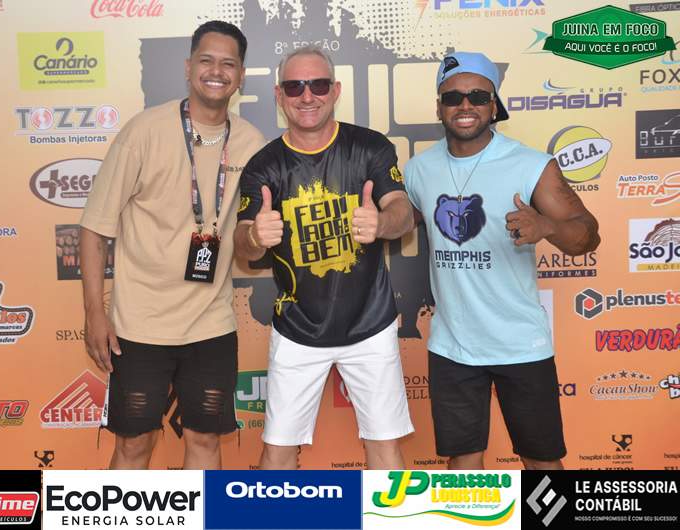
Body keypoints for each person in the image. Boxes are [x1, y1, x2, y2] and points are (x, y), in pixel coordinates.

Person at [79, 20, 265, 470]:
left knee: (205, 441)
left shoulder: (251, 143)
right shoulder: (143, 132)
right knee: (133, 444)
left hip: (211, 325)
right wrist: (94, 313)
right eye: (206, 60)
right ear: (188, 67)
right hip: (138, 327)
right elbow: (94, 229)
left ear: (241, 75)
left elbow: (250, 238)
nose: (216, 71)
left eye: (228, 64)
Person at [404, 52, 600, 470]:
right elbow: (398, 222)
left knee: (542, 462)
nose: (465, 105)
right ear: (438, 107)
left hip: (520, 343)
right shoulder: (418, 169)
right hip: (452, 345)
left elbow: (588, 234)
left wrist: (547, 226)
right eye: (453, 97)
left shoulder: (531, 165)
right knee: (462, 463)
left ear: (494, 105)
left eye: (478, 96)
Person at [234, 45, 415, 470]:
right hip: (298, 327)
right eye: (294, 86)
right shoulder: (263, 165)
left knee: (385, 446)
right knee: (277, 450)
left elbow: (403, 211)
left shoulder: (369, 146)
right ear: (278, 96)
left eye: (317, 85)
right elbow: (242, 242)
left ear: (335, 90)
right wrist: (255, 236)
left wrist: (382, 223)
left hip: (370, 324)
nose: (307, 96)